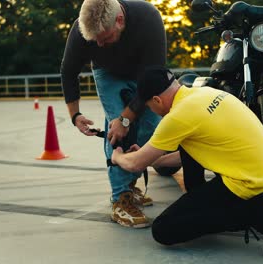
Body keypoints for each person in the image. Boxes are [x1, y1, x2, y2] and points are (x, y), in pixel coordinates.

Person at [111, 66, 263, 256]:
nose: (152, 110)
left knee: (163, 229)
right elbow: (191, 154)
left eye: (149, 107)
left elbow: (135, 164)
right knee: (188, 146)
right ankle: (244, 207)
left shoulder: (178, 117)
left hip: (248, 186)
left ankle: (252, 212)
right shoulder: (206, 93)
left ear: (156, 100)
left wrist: (118, 157)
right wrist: (153, 160)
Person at [60, 0, 166, 228]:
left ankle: (130, 184)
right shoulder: (82, 30)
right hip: (107, 73)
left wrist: (127, 119)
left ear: (120, 20)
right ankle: (120, 198)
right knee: (117, 129)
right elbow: (68, 72)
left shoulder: (148, 19)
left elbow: (154, 78)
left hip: (144, 74)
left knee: (151, 125)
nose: (98, 44)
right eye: (93, 39)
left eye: (104, 37)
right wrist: (75, 114)